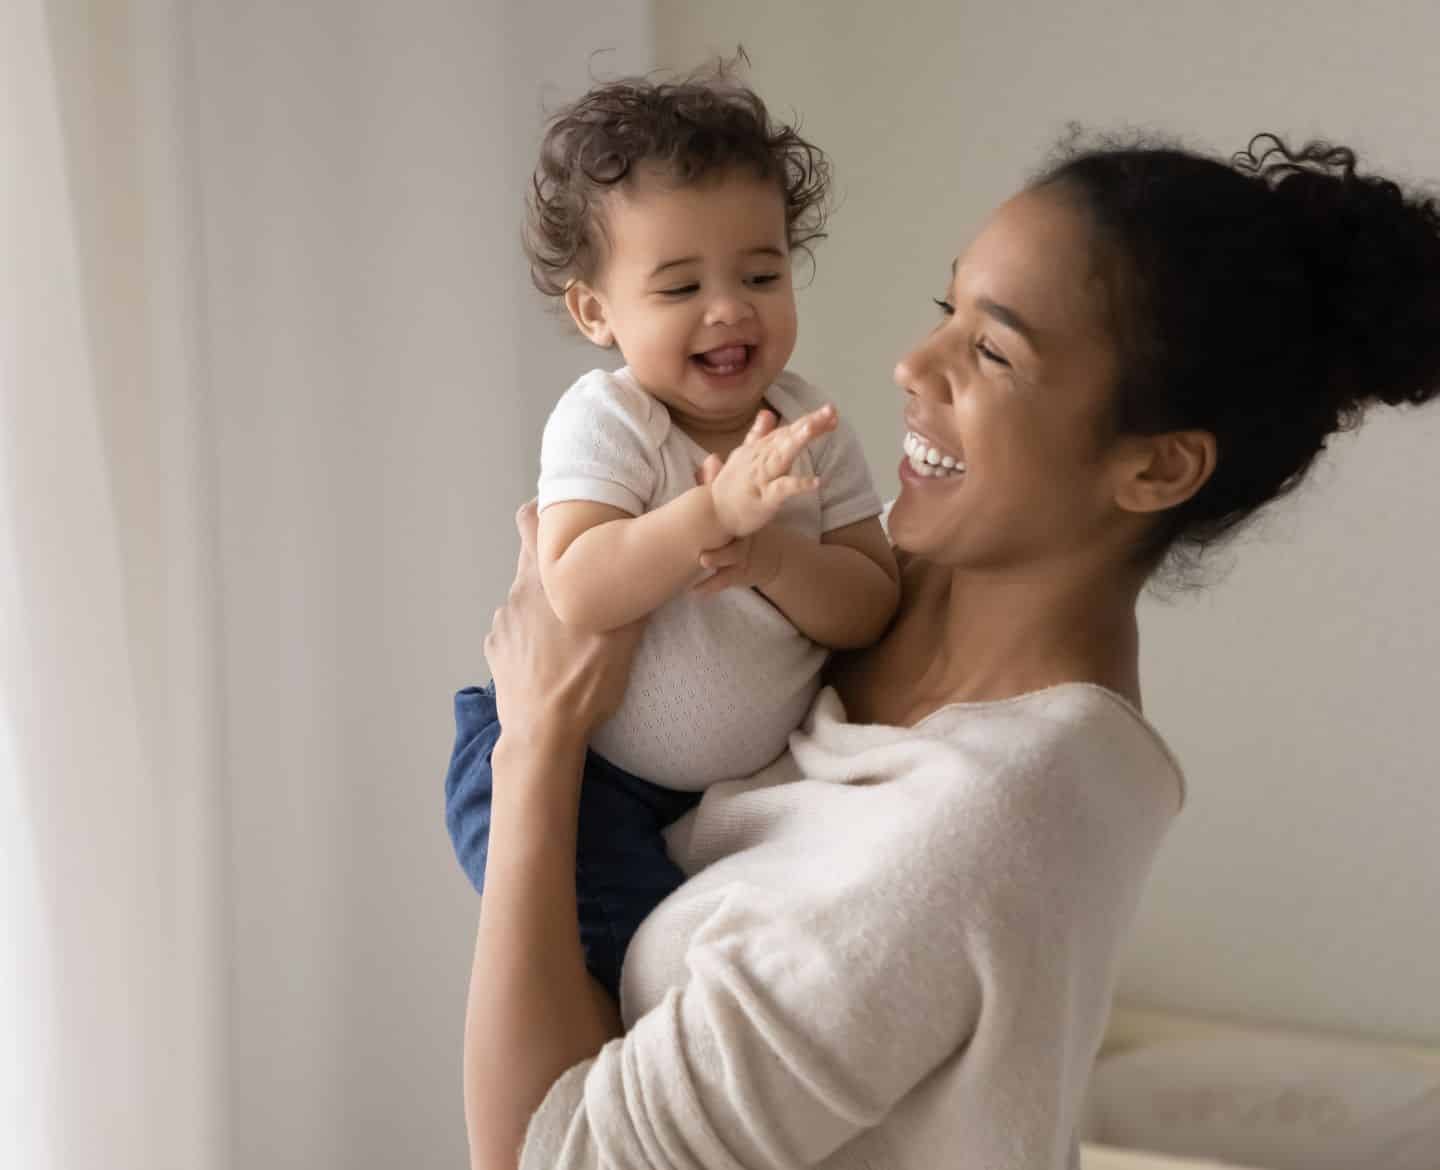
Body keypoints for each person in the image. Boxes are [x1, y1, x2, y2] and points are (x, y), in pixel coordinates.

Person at [449, 131, 1440, 1170]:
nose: (913, 365)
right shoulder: (872, 570)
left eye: (995, 350)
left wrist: (537, 741)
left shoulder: (977, 829)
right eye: (946, 310)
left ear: (1156, 470)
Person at [446, 66, 898, 1005]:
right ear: (596, 312)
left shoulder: (813, 427)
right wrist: (714, 515)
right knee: (644, 972)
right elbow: (578, 585)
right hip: (575, 779)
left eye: (762, 274)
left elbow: (870, 604)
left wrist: (775, 556)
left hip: (721, 802)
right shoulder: (611, 423)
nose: (729, 308)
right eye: (681, 284)